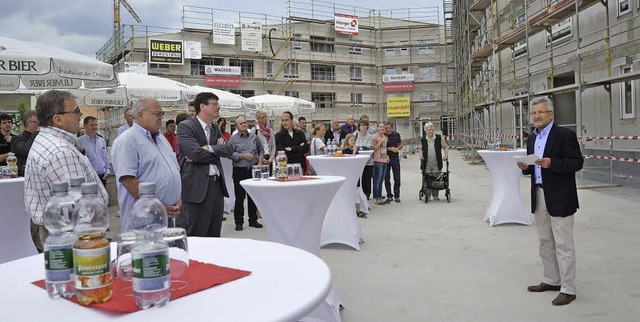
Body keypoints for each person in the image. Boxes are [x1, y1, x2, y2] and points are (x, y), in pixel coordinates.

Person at [516, 96, 583, 306]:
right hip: (539, 194)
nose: (537, 116)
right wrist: (526, 168)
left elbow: (576, 163)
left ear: (551, 114)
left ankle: (568, 289)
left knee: (563, 243)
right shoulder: (531, 138)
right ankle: (551, 280)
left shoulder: (565, 135)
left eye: (541, 112)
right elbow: (534, 167)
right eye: (534, 113)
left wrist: (552, 163)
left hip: (561, 196)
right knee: (545, 241)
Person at [24, 90, 108, 252]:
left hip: (59, 230)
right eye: (76, 111)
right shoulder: (59, 150)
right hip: (69, 234)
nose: (80, 114)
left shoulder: (50, 141)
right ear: (58, 119)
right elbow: (78, 207)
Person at [111, 97, 182, 231]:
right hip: (143, 222)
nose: (161, 117)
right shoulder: (127, 140)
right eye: (157, 114)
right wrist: (158, 208)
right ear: (141, 115)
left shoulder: (161, 139)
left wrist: (179, 199)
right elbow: (128, 181)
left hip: (168, 218)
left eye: (162, 114)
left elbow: (173, 171)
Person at [177, 92, 234, 237]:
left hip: (216, 187)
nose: (218, 107)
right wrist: (216, 152)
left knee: (214, 235)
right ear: (202, 106)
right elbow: (195, 153)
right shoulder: (186, 126)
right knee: (197, 235)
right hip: (197, 188)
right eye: (214, 104)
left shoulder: (214, 128)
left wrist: (209, 148)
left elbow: (229, 150)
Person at [229, 115, 264, 231]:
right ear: (236, 126)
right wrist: (242, 156)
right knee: (239, 197)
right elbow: (230, 154)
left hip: (253, 170)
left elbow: (261, 150)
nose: (244, 124)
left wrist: (259, 163)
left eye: (245, 122)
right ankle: (239, 222)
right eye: (241, 123)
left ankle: (253, 220)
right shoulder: (233, 139)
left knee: (253, 197)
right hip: (239, 170)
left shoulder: (254, 137)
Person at [77, 116, 110, 187]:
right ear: (85, 125)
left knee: (103, 197)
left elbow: (105, 157)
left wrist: (107, 170)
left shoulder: (101, 140)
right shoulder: (79, 142)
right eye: (91, 125)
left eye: (96, 124)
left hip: (102, 177)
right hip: (88, 178)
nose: (94, 127)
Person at [420, 122, 449, 201]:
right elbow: (421, 149)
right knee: (427, 178)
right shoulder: (423, 139)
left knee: (436, 178)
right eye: (428, 130)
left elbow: (445, 146)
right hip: (427, 163)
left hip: (437, 162)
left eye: (431, 129)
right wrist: (421, 155)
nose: (430, 131)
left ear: (433, 130)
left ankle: (435, 195)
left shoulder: (438, 138)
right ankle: (428, 195)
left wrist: (446, 155)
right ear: (425, 131)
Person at [11, 111, 38, 176]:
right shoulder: (17, 139)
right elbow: (26, 151)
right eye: (36, 122)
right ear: (27, 123)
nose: (38, 124)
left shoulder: (39, 137)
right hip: (24, 175)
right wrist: (36, 133)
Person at [384, 121, 404, 203]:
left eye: (389, 128)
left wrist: (398, 148)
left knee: (397, 177)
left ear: (392, 128)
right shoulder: (382, 136)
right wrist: (389, 149)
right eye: (386, 128)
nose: (387, 129)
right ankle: (389, 195)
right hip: (385, 158)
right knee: (387, 178)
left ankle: (397, 195)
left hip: (395, 158)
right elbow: (380, 147)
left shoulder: (396, 134)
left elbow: (401, 144)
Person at [355, 120, 374, 200]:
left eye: (365, 125)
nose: (363, 127)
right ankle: (360, 194)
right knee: (360, 178)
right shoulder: (355, 135)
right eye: (362, 125)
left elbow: (369, 146)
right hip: (357, 161)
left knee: (367, 178)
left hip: (368, 161)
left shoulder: (370, 136)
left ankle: (367, 194)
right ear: (359, 127)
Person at [372, 123, 389, 205]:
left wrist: (387, 156)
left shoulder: (385, 137)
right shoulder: (375, 137)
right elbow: (374, 148)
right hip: (378, 161)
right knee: (377, 181)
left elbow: (384, 148)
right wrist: (381, 141)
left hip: (384, 160)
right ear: (377, 128)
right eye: (381, 127)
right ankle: (377, 198)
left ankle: (380, 197)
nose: (382, 128)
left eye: (383, 127)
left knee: (381, 180)